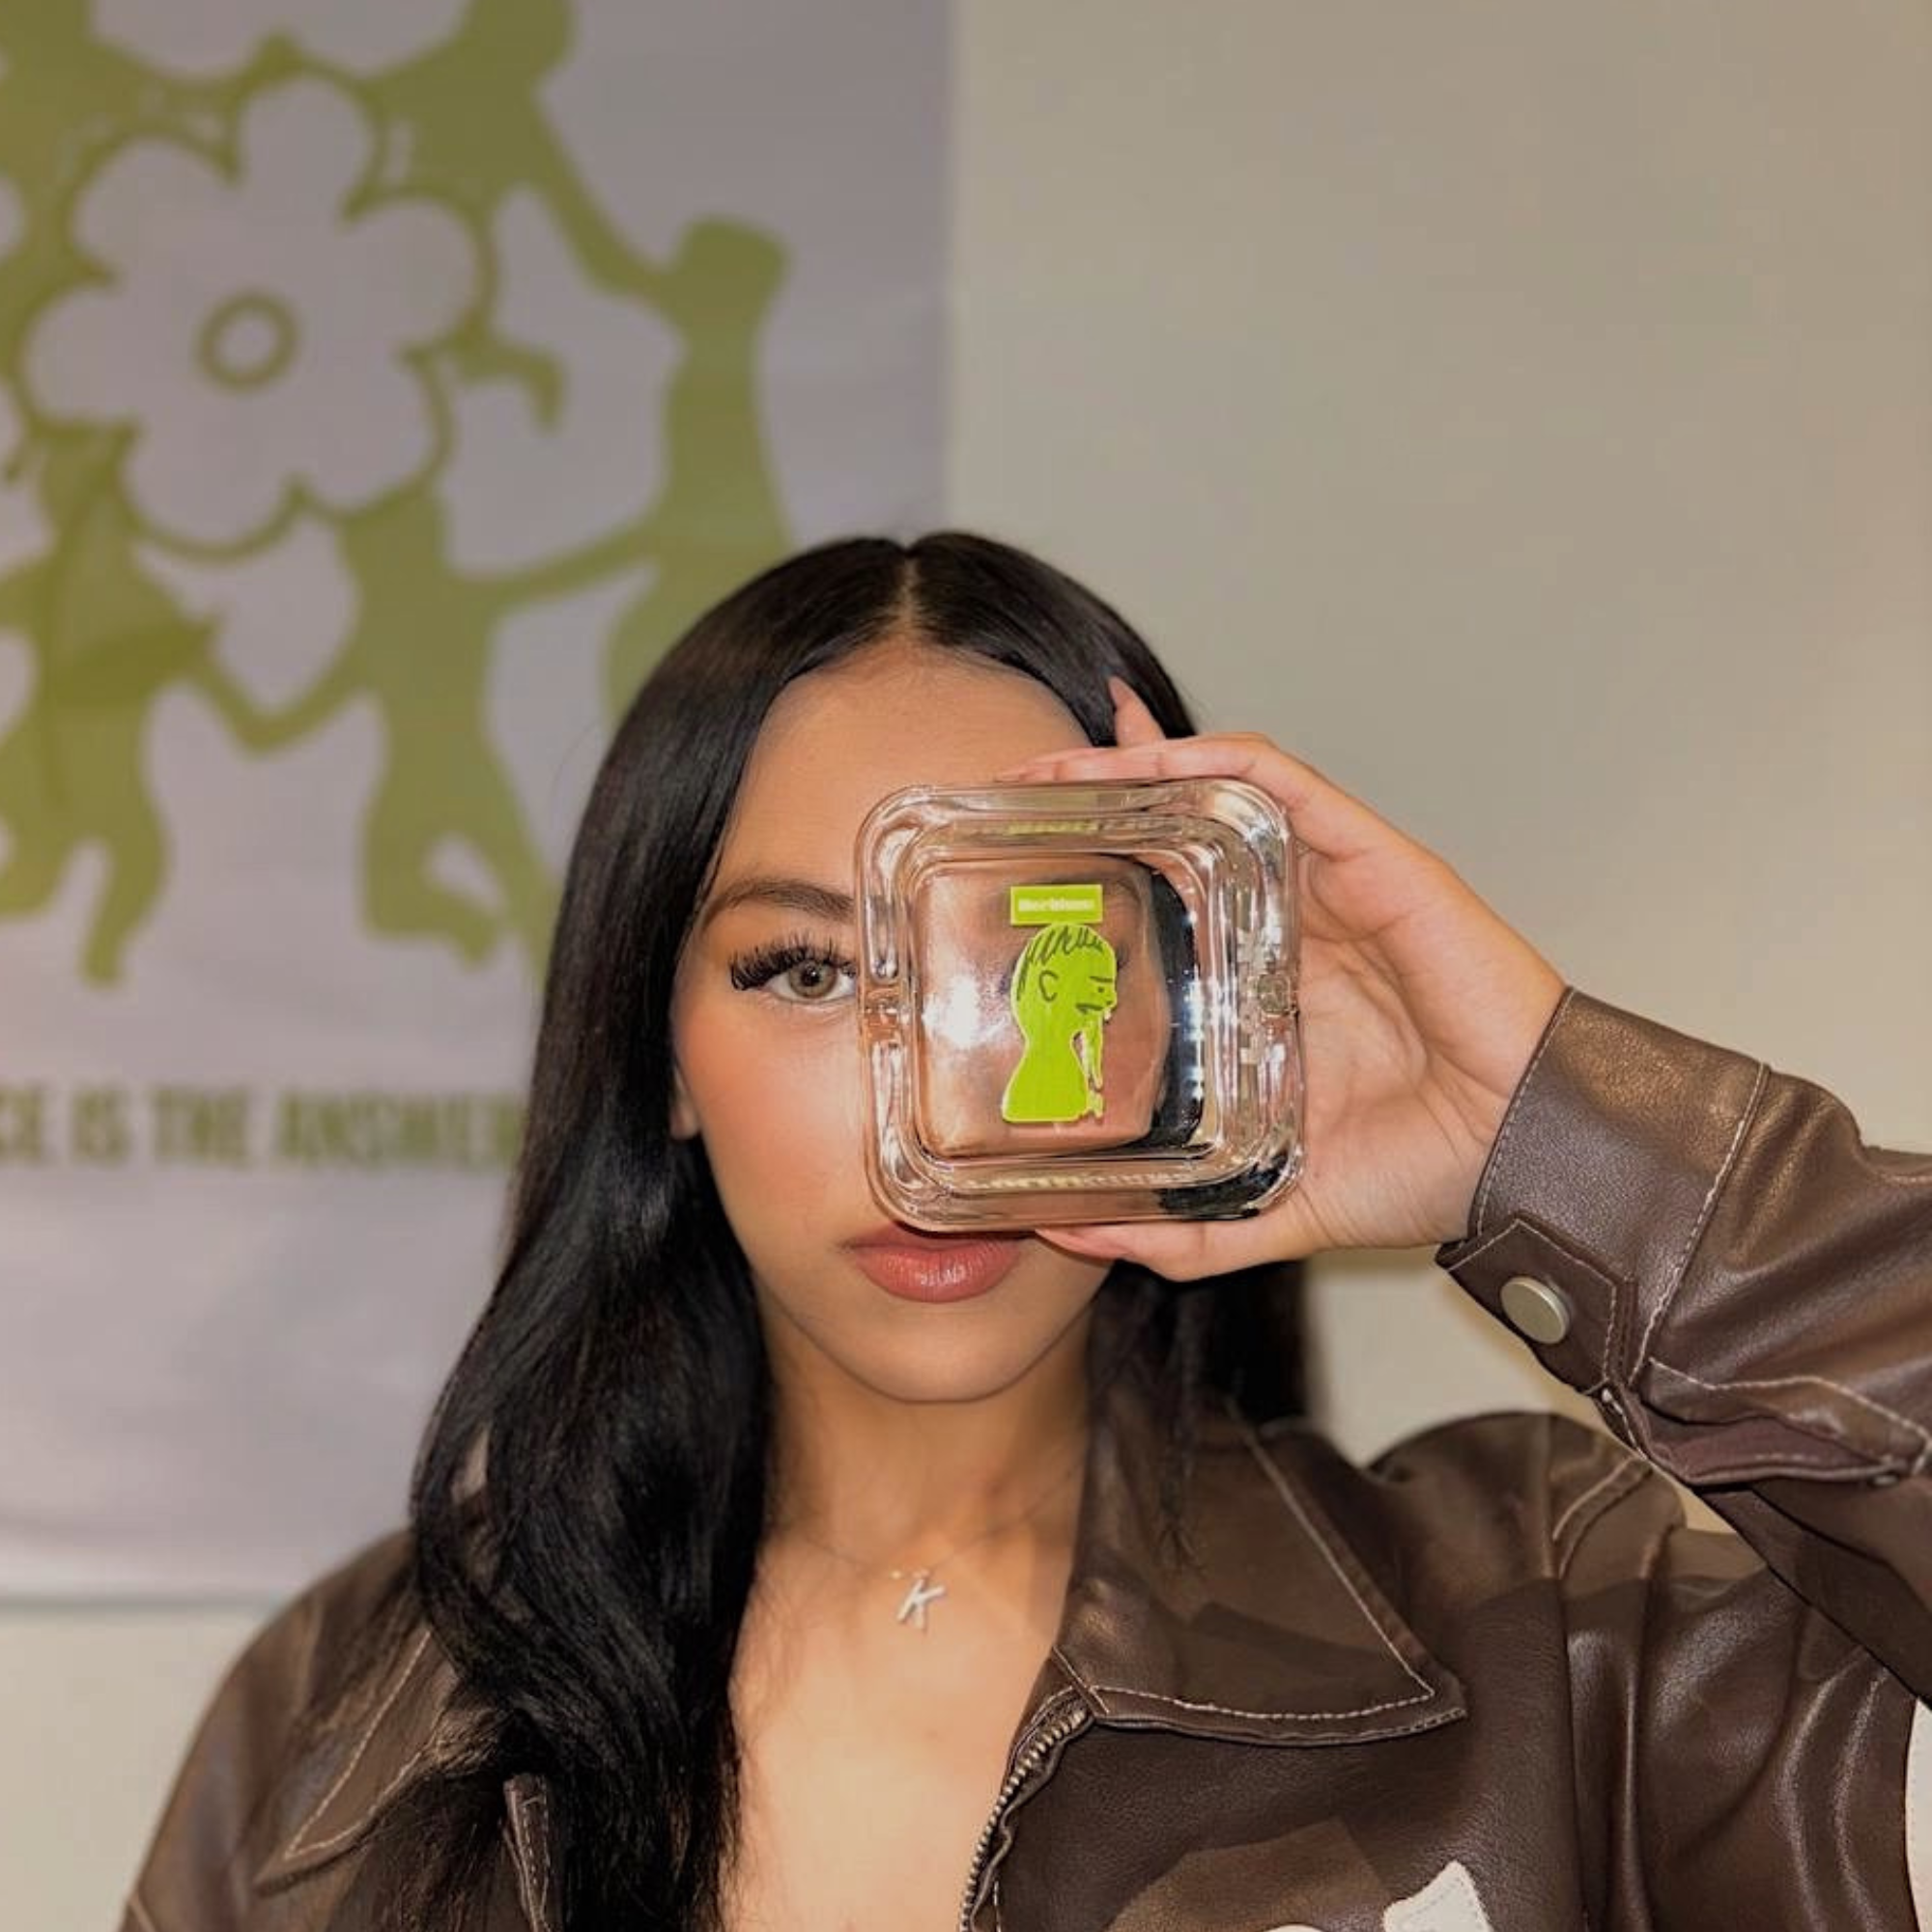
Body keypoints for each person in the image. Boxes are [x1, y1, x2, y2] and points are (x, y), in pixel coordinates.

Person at [122, 534, 1930, 1932]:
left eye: (1049, 960)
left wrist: (1540, 1135)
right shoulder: (346, 1718)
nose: (933, 1113)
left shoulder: (1555, 1631)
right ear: (661, 1052)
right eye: (808, 970)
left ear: (1199, 1018)